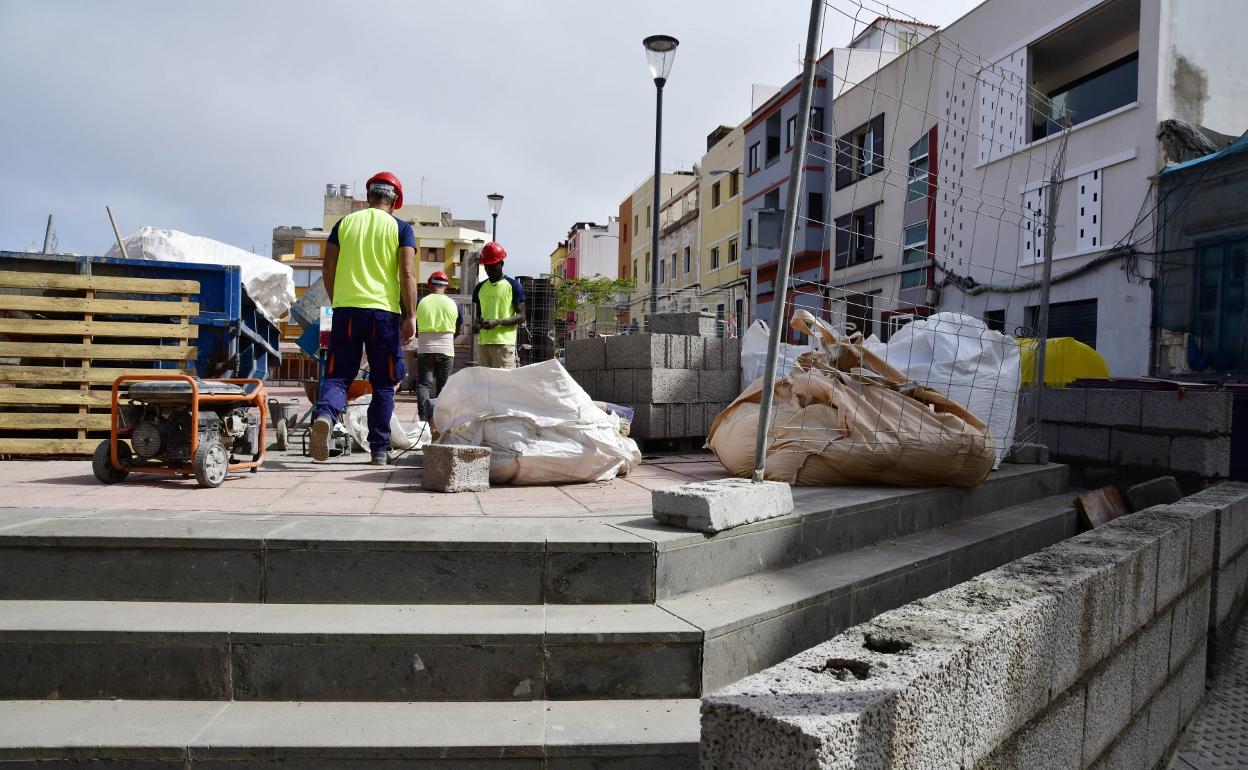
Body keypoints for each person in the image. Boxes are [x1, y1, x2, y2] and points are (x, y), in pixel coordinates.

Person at [310, 171, 418, 466]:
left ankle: (325, 416)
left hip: (346, 310)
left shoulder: (344, 224)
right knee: (383, 382)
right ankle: (379, 450)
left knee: (338, 375)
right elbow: (407, 273)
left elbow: (327, 267)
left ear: (369, 196)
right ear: (395, 201)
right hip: (384, 314)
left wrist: (339, 301)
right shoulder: (401, 229)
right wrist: (411, 315)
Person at [414, 270, 462, 421]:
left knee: (424, 384)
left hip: (425, 348)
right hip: (446, 349)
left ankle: (423, 419)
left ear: (430, 285)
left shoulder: (420, 301)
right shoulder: (454, 304)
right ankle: (440, 420)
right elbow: (458, 329)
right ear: (446, 286)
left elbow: (414, 327)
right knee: (443, 387)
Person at [472, 242, 526, 368]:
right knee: (485, 385)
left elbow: (522, 316)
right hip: (483, 344)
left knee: (504, 385)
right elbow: (479, 316)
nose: (489, 270)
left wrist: (498, 322)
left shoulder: (513, 286)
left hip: (504, 345)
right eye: (486, 266)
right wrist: (477, 325)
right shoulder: (479, 288)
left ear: (501, 264)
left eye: (492, 266)